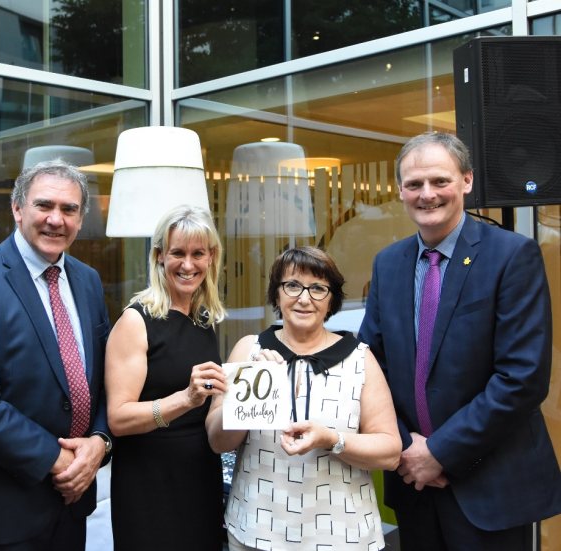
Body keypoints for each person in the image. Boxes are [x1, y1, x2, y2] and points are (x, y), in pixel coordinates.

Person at [358, 132, 561, 550]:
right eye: (414, 184)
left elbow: (522, 379)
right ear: (400, 191)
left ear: (466, 180)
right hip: (414, 482)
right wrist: (405, 446)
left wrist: (439, 453)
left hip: (491, 488)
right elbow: (368, 368)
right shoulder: (388, 264)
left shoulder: (512, 256)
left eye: (440, 181)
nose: (427, 194)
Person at [0, 159, 111, 551]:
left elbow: (99, 379)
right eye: (44, 205)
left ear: (81, 219)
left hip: (73, 501)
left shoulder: (88, 280)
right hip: (7, 510)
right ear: (17, 209)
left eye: (69, 210)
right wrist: (62, 461)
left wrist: (100, 442)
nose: (56, 219)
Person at [207, 246, 401, 551]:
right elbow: (218, 442)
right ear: (277, 293)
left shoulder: (360, 359)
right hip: (257, 532)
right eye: (293, 285)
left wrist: (330, 439)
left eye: (318, 288)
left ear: (332, 299)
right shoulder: (249, 350)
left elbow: (390, 452)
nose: (304, 298)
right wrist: (245, 398)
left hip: (343, 535)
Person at [105, 204, 228, 551]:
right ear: (159, 256)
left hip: (200, 477)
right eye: (177, 253)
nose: (187, 265)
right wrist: (185, 399)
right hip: (149, 486)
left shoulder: (204, 319)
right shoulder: (136, 321)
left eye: (197, 254)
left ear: (211, 258)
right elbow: (118, 418)